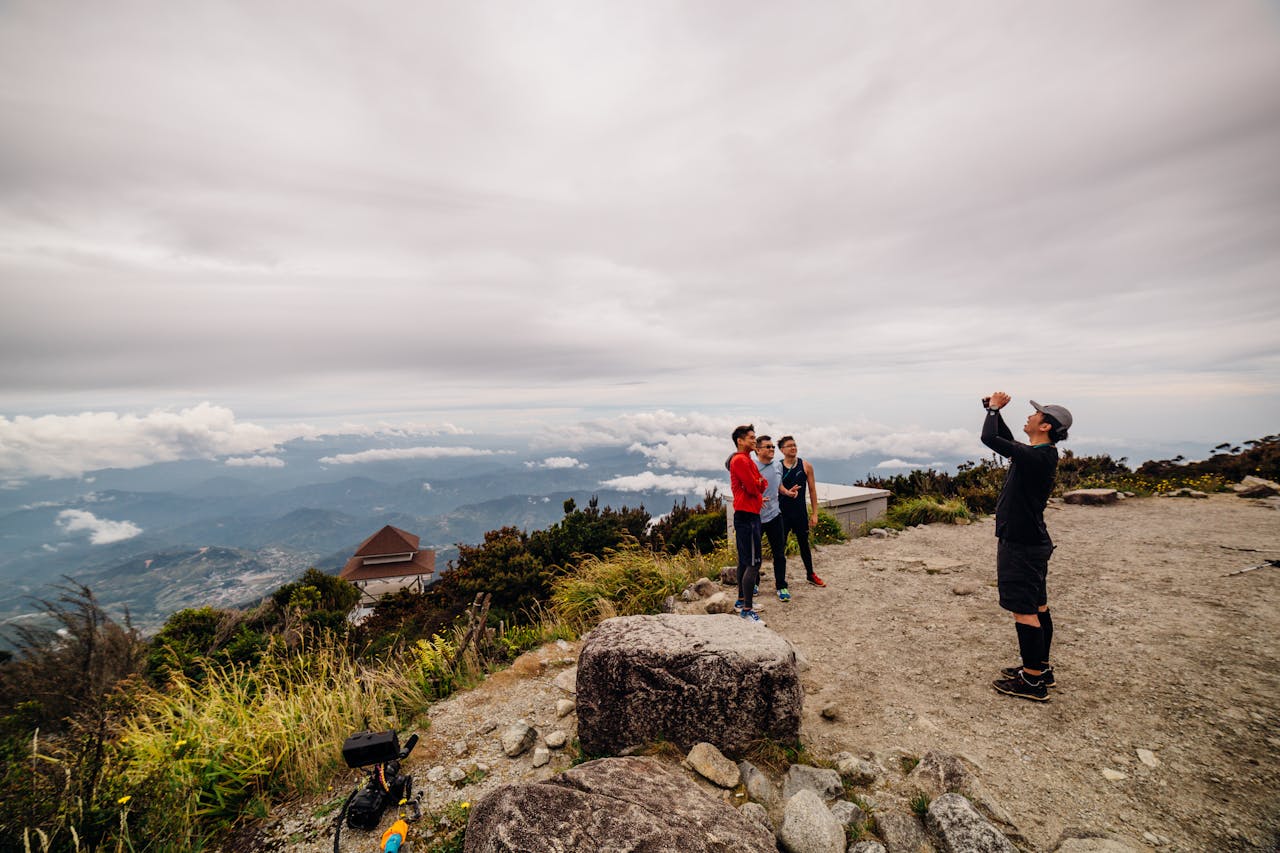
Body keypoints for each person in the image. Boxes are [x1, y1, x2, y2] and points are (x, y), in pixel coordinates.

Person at [980, 392, 1073, 702]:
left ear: (1045, 426)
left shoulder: (1037, 457)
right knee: (1038, 607)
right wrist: (993, 412)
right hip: (1032, 542)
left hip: (1021, 545)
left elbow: (990, 439)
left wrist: (994, 410)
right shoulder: (1039, 454)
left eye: (1036, 414)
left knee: (1024, 611)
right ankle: (1040, 668)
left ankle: (1032, 681)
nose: (1030, 416)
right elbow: (1005, 440)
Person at [728, 424, 768, 623]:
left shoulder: (747, 460)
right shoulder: (741, 461)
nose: (754, 440)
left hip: (747, 514)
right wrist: (757, 484)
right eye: (751, 437)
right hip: (748, 516)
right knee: (753, 562)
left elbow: (761, 483)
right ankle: (747, 611)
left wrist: (758, 484)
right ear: (740, 440)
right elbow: (754, 487)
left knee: (745, 561)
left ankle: (741, 601)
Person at [778, 436, 825, 587]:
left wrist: (815, 513)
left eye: (795, 445)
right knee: (780, 548)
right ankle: (780, 580)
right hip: (782, 514)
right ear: (782, 450)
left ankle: (810, 574)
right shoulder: (777, 467)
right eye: (789, 446)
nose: (793, 448)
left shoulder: (806, 466)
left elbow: (812, 490)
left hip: (800, 512)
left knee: (804, 544)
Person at [754, 436, 791, 601]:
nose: (771, 449)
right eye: (767, 447)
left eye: (772, 447)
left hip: (775, 515)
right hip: (755, 517)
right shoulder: (752, 466)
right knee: (755, 554)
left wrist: (787, 492)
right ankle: (754, 583)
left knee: (779, 553)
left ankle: (781, 586)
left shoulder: (778, 465)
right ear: (758, 450)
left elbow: (778, 485)